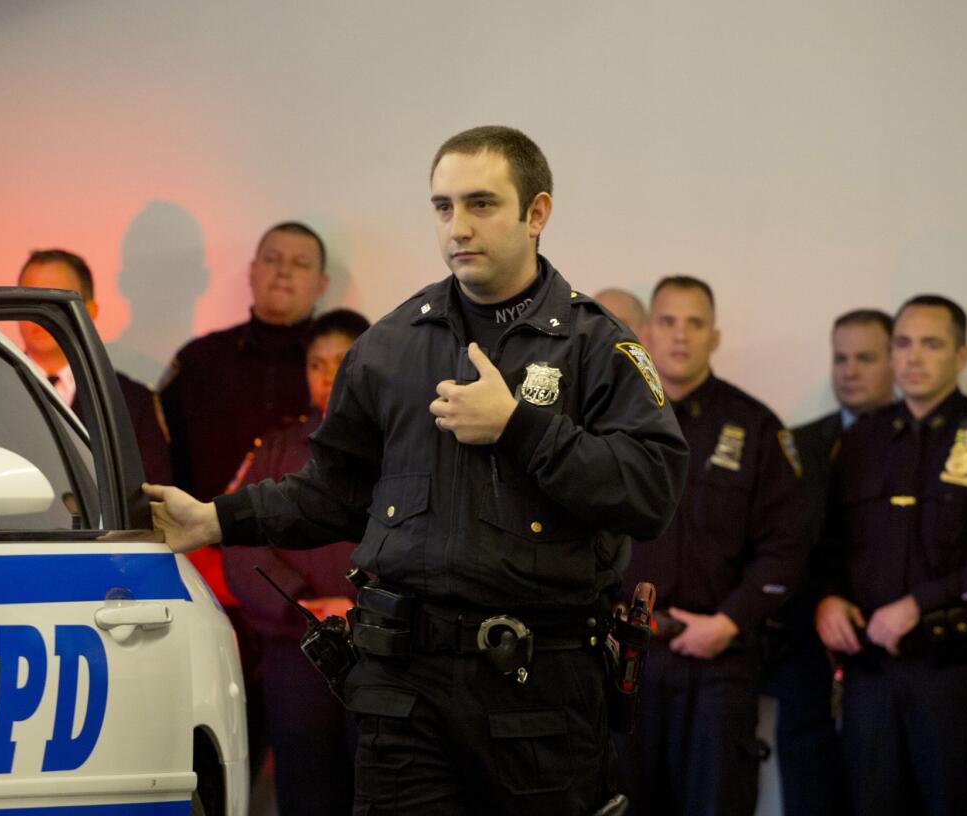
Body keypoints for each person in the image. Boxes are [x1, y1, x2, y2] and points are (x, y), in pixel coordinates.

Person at [144, 125, 689, 815]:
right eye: (442, 207)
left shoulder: (595, 345)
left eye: (482, 204)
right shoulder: (389, 347)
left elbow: (652, 490)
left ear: (537, 213)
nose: (458, 226)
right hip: (403, 691)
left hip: (540, 692)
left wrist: (521, 427)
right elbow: (333, 493)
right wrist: (216, 518)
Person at [618, 275, 807, 816]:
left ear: (715, 337)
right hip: (625, 659)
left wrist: (728, 621)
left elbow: (787, 545)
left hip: (717, 662)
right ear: (648, 331)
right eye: (669, 321)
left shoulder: (754, 426)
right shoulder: (612, 421)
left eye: (695, 323)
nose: (680, 336)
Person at [157, 220, 329, 774]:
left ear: (322, 283)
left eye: (300, 264)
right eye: (273, 259)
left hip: (313, 599)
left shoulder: (348, 364)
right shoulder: (200, 362)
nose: (284, 271)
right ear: (252, 271)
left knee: (314, 767)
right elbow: (164, 470)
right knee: (209, 748)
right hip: (212, 586)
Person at [815, 295, 967, 816]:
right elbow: (831, 543)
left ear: (962, 356)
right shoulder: (863, 440)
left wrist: (920, 603)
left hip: (953, 670)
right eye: (903, 343)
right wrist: (831, 599)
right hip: (871, 674)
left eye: (931, 344)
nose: (913, 358)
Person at [222, 308, 370, 816]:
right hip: (298, 648)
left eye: (341, 362)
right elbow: (241, 543)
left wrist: (358, 606)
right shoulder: (277, 448)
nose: (327, 377)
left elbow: (420, 541)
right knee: (305, 784)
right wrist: (304, 602)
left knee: (383, 785)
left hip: (380, 647)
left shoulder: (403, 448)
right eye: (315, 364)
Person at [763, 308, 894, 816]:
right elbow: (779, 543)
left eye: (865, 358)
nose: (849, 371)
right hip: (804, 651)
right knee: (808, 791)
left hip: (886, 649)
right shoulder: (797, 443)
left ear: (893, 360)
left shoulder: (919, 443)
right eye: (841, 358)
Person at [17, 249, 172, 485]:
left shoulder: (130, 401)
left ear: (88, 312)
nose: (38, 312)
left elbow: (152, 495)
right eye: (26, 298)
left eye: (53, 299)